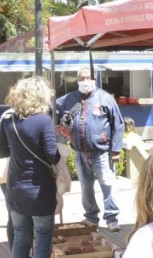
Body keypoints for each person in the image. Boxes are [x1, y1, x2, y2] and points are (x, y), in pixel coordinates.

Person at [0, 77, 68, 258]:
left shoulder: (9, 120)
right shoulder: (43, 120)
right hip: (40, 191)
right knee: (43, 240)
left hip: (16, 189)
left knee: (20, 240)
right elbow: (52, 155)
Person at [56, 67, 124, 232]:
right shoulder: (69, 99)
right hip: (79, 152)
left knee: (107, 185)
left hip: (101, 152)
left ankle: (112, 218)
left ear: (94, 80)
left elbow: (118, 124)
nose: (85, 81)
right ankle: (91, 217)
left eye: (88, 78)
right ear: (77, 80)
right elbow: (54, 109)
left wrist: (115, 150)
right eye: (81, 78)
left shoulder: (105, 98)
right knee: (86, 187)